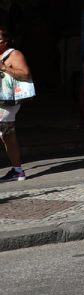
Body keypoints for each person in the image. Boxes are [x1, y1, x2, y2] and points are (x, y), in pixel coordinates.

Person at [0, 27, 32, 182]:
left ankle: (17, 170)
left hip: (7, 102)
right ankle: (17, 170)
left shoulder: (14, 54)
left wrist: (5, 67)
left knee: (6, 134)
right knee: (8, 136)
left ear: (5, 41)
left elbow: (25, 74)